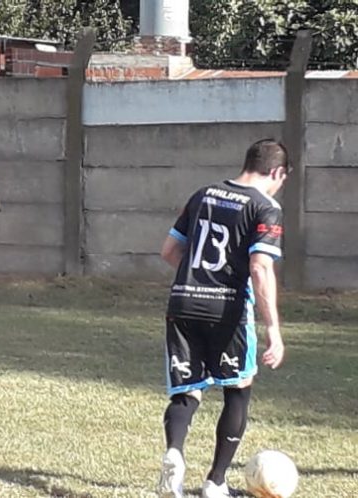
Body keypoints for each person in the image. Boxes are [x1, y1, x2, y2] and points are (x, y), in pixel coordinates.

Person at [157, 139, 289, 498]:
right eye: (282, 180)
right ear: (276, 172)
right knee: (238, 389)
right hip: (228, 310)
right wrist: (273, 329)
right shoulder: (265, 207)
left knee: (188, 389)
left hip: (183, 302)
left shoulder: (203, 194)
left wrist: (198, 281)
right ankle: (215, 482)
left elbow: (169, 251)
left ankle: (174, 452)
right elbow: (260, 268)